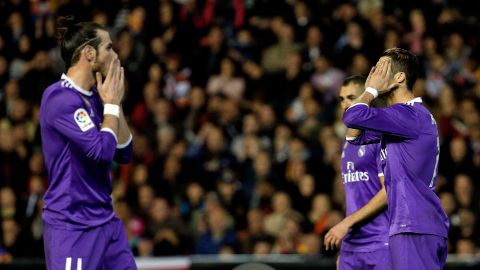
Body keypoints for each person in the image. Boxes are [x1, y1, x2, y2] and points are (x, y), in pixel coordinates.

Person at [39, 16, 137, 269]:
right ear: (89, 53)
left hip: (106, 223)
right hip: (73, 227)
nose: (115, 54)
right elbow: (102, 152)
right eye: (108, 48)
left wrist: (114, 102)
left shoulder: (97, 96)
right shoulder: (58, 98)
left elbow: (124, 153)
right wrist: (112, 105)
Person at [343, 48, 449, 270]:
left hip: (415, 224)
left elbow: (353, 115)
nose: (374, 74)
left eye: (382, 69)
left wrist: (370, 89)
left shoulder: (411, 115)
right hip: (409, 224)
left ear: (400, 77)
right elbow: (353, 135)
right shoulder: (397, 120)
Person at [324, 76, 390, 269]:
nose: (345, 104)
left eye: (351, 97)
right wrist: (346, 246)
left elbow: (388, 192)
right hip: (352, 247)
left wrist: (346, 223)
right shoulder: (348, 143)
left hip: (380, 243)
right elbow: (356, 196)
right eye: (341, 99)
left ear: (366, 98)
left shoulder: (378, 137)